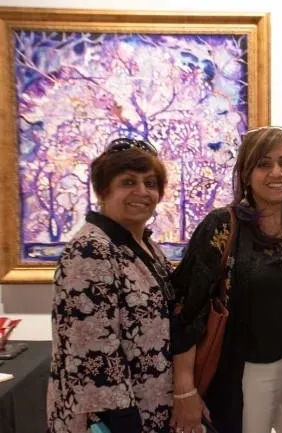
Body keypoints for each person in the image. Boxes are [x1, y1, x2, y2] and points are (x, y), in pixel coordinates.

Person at [171, 127, 282, 433]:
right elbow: (188, 307)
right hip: (244, 373)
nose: (277, 172)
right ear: (246, 174)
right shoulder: (223, 226)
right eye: (264, 164)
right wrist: (184, 388)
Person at [47, 138, 174, 433]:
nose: (142, 192)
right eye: (128, 182)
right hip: (108, 418)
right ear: (104, 190)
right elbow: (93, 350)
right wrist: (124, 422)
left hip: (147, 407)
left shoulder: (144, 244)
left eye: (151, 183)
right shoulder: (90, 249)